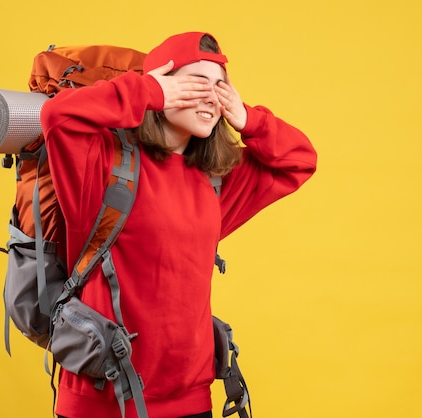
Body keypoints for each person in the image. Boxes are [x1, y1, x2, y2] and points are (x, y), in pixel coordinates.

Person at [40, 31, 317, 418]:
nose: (211, 96)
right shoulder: (103, 165)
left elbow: (300, 160)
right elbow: (58, 116)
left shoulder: (216, 180)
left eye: (221, 86)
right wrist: (149, 92)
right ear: (160, 83)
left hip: (190, 403)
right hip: (100, 404)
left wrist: (250, 119)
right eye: (196, 82)